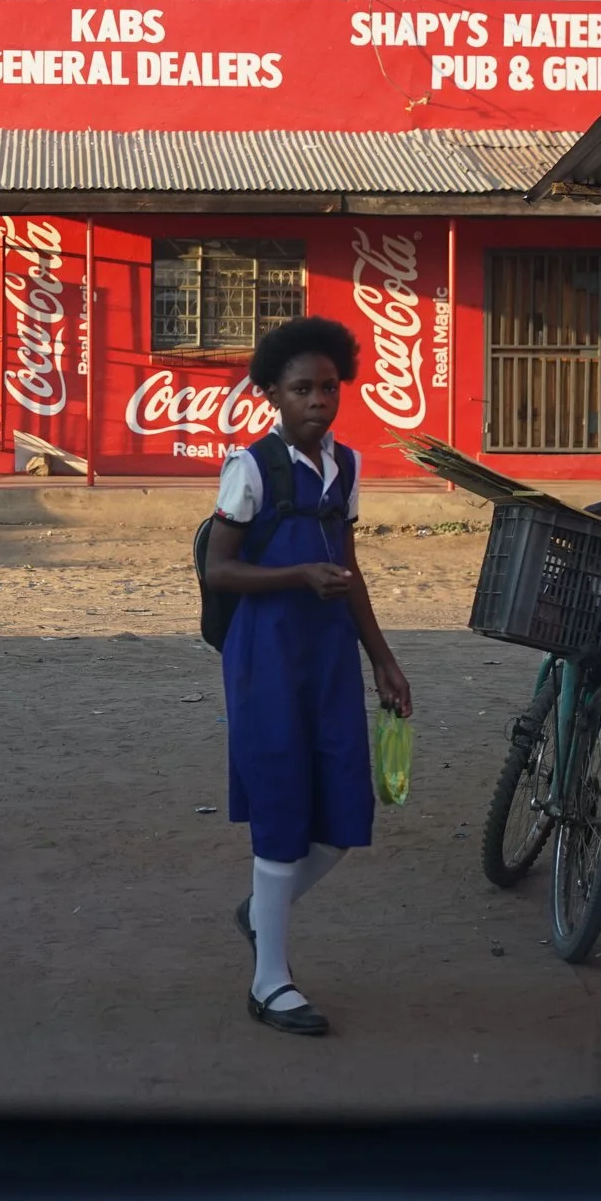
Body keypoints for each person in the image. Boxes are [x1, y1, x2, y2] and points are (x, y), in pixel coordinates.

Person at [200, 315, 413, 1038]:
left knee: (345, 814)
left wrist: (382, 657)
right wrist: (297, 574)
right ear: (271, 393)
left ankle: (263, 912)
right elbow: (219, 567)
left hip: (327, 654)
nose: (318, 399)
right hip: (264, 655)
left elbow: (350, 570)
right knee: (283, 806)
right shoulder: (251, 467)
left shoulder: (346, 466)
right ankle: (270, 982)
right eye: (301, 388)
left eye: (328, 387)